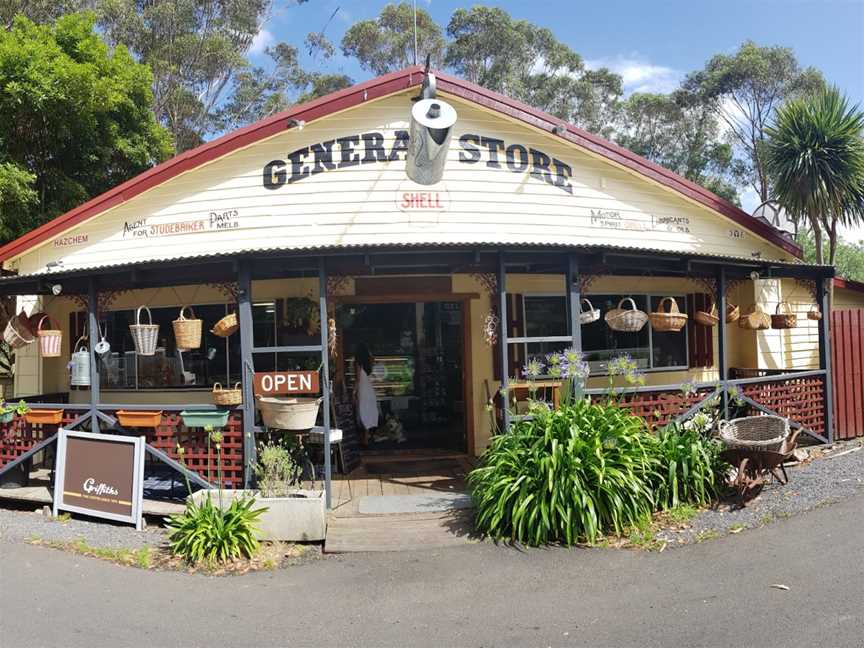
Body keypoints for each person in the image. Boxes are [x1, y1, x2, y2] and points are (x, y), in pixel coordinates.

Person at [354, 343, 379, 447]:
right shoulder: (369, 362)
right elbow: (373, 357)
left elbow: (358, 379)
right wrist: (369, 352)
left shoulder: (357, 363)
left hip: (363, 390)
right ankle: (367, 437)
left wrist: (353, 392)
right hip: (370, 390)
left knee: (363, 412)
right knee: (368, 412)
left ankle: (365, 439)